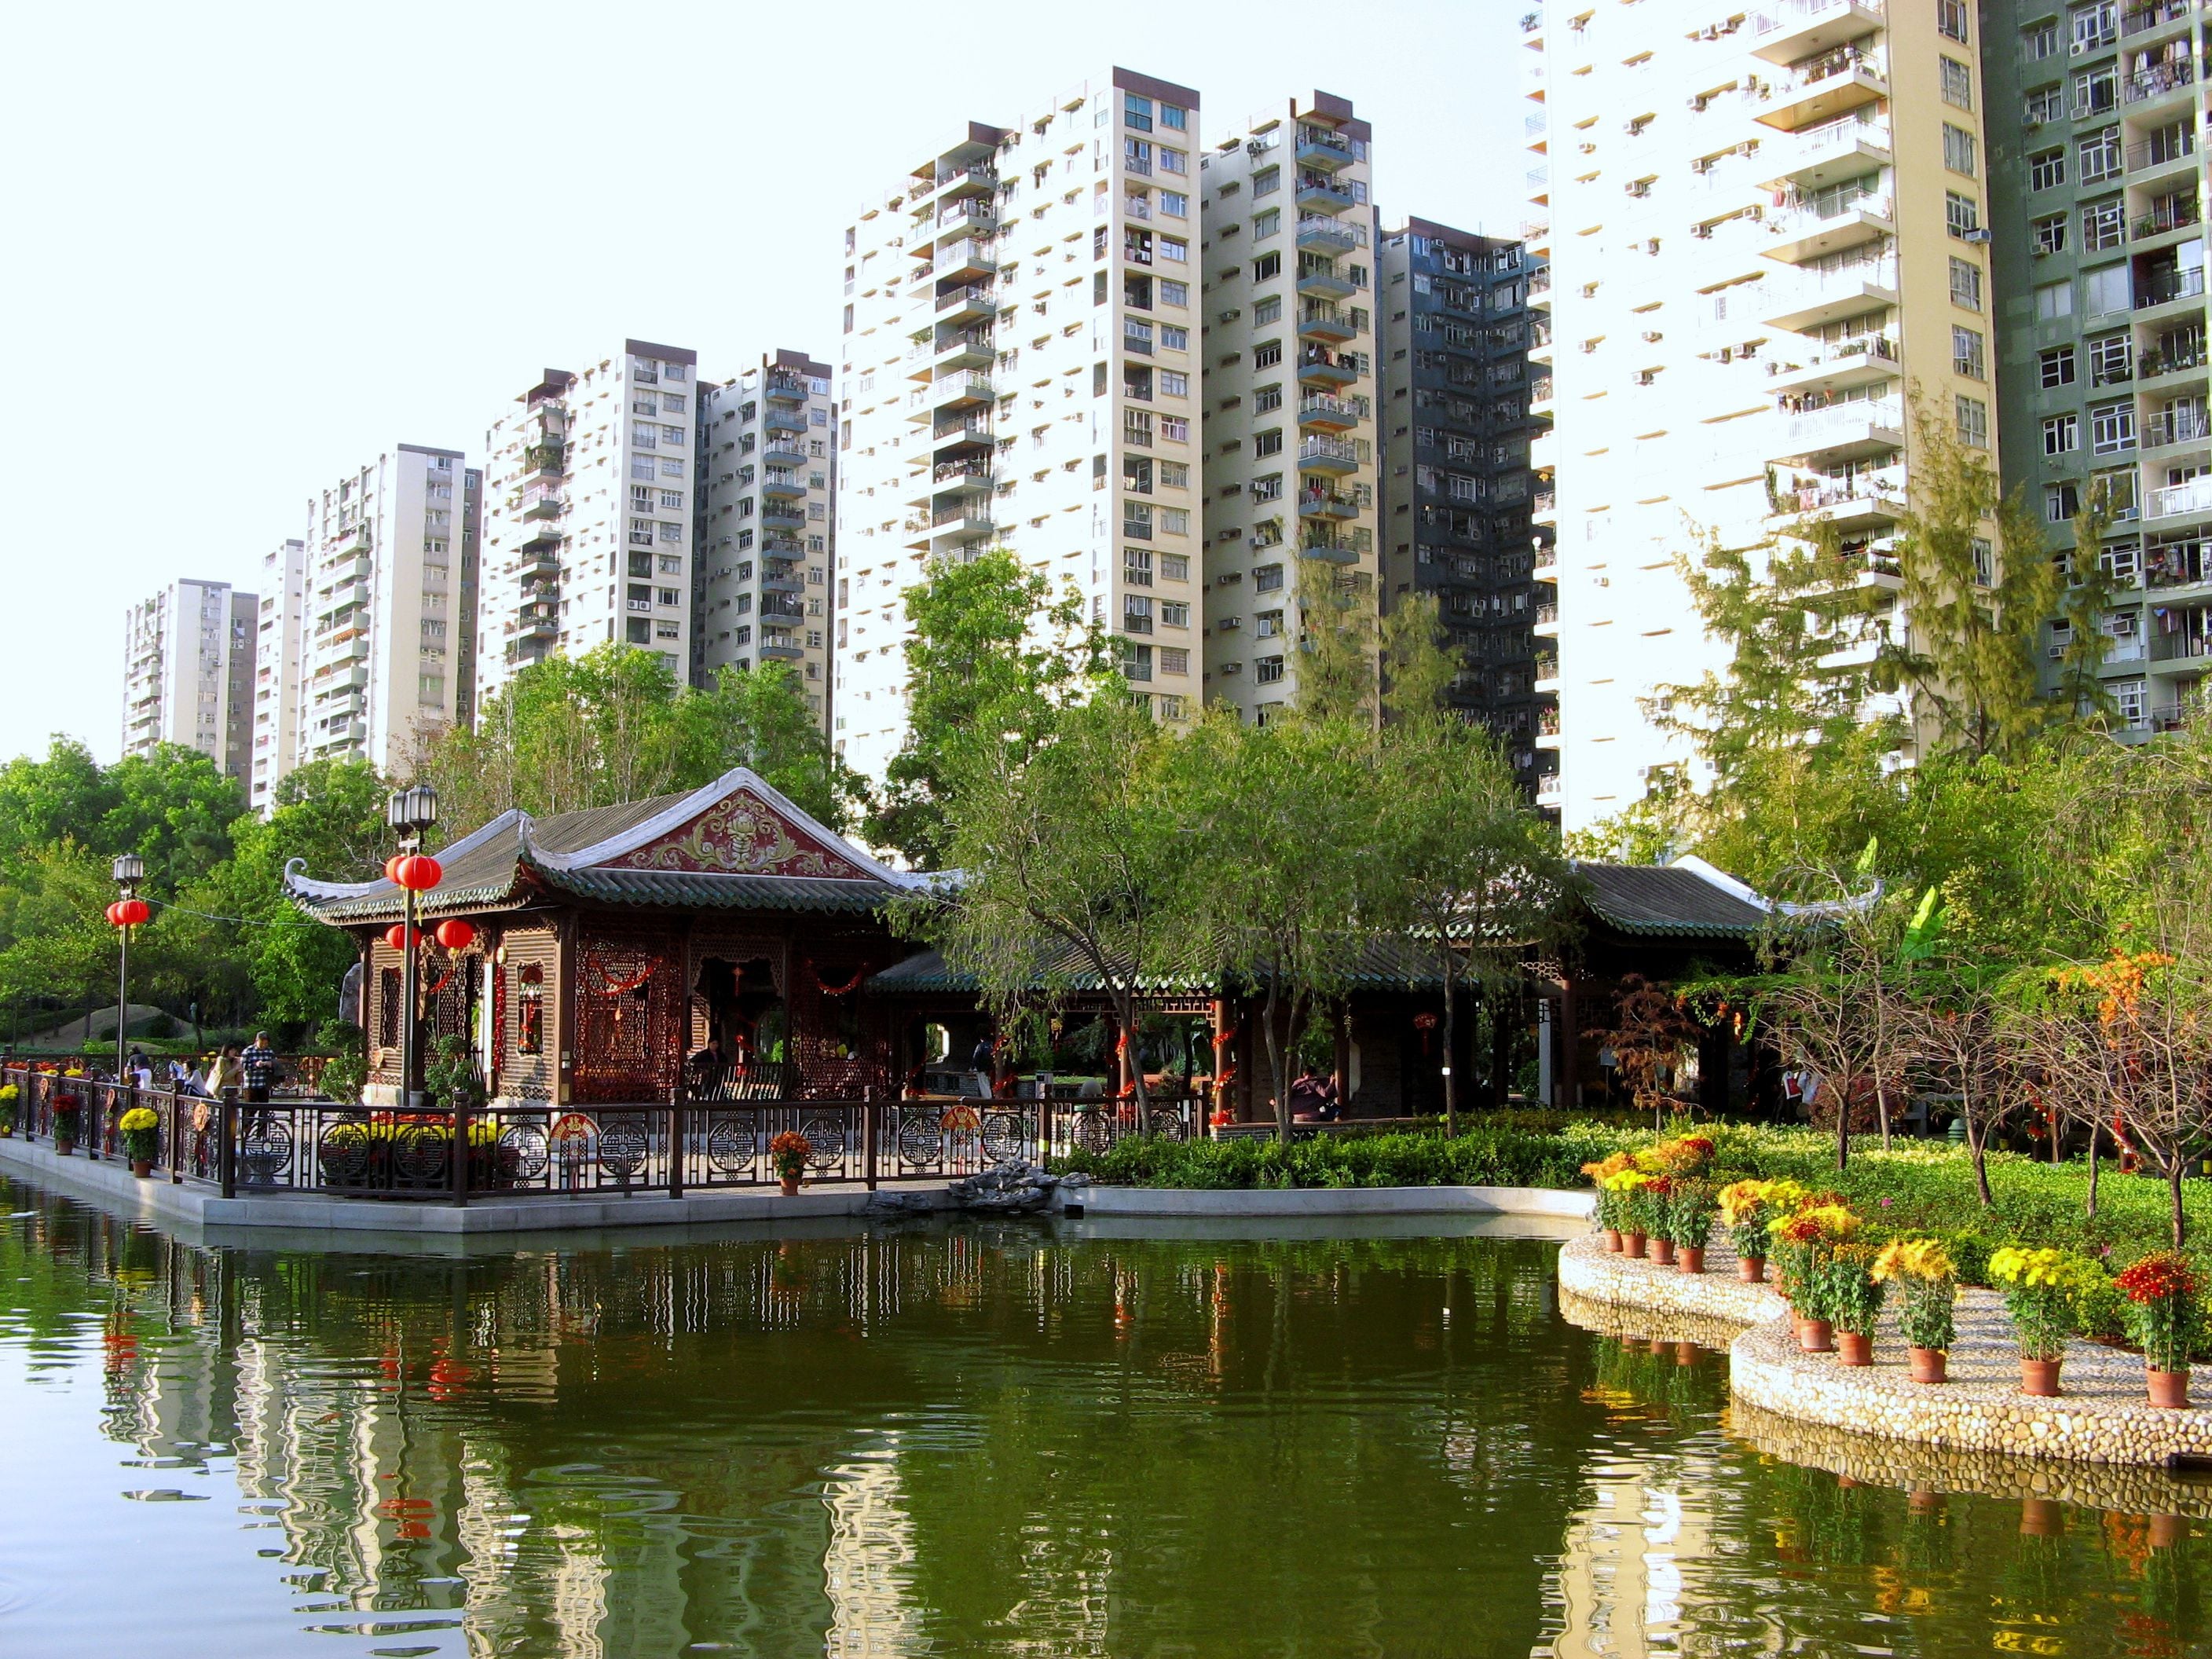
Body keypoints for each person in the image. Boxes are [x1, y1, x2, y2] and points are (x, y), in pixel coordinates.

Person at [240, 1031, 278, 1104]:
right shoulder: (248, 1051)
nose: (264, 1045)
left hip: (264, 1085)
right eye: (262, 1043)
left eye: (266, 1043)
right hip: (251, 1085)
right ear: (257, 1041)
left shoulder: (269, 1052)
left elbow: (276, 1065)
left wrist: (270, 1064)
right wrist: (256, 1065)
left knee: (264, 1110)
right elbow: (244, 1066)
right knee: (250, 1110)